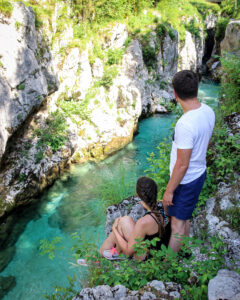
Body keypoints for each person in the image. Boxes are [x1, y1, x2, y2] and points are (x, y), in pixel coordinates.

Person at [162, 70, 215, 253]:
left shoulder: (185, 124)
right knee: (184, 217)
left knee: (177, 224)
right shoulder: (208, 111)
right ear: (196, 88)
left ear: (175, 94)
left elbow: (182, 164)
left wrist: (169, 190)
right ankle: (184, 251)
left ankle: (169, 268)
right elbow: (206, 141)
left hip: (186, 180)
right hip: (199, 172)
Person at [99, 176, 171, 260]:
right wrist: (147, 206)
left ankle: (104, 256)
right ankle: (108, 254)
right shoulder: (165, 205)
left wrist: (114, 229)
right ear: (156, 191)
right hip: (161, 250)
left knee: (119, 225)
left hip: (148, 258)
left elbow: (128, 251)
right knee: (124, 220)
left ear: (138, 195)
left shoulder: (144, 222)